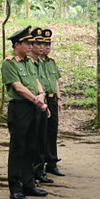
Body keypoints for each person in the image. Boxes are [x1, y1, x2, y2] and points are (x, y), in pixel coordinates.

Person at [1, 26, 48, 199]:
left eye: (32, 43)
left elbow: (37, 81)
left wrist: (41, 95)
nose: (31, 46)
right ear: (17, 45)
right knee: (18, 147)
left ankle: (29, 183)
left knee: (31, 146)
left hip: (34, 107)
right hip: (20, 108)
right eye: (28, 43)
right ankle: (15, 187)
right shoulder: (10, 63)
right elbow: (18, 87)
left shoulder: (29, 62)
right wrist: (37, 100)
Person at [40, 29, 65, 177]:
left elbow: (55, 81)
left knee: (52, 130)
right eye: (44, 44)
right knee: (41, 132)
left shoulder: (51, 62)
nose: (47, 47)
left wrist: (59, 98)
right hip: (41, 100)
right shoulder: (34, 62)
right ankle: (40, 163)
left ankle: (52, 162)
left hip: (52, 98)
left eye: (49, 44)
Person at [31, 28, 52, 184]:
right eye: (37, 43)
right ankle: (32, 173)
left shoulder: (40, 63)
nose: (41, 47)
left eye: (42, 44)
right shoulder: (28, 63)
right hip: (32, 103)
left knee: (42, 139)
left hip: (42, 102)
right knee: (33, 139)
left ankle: (39, 171)